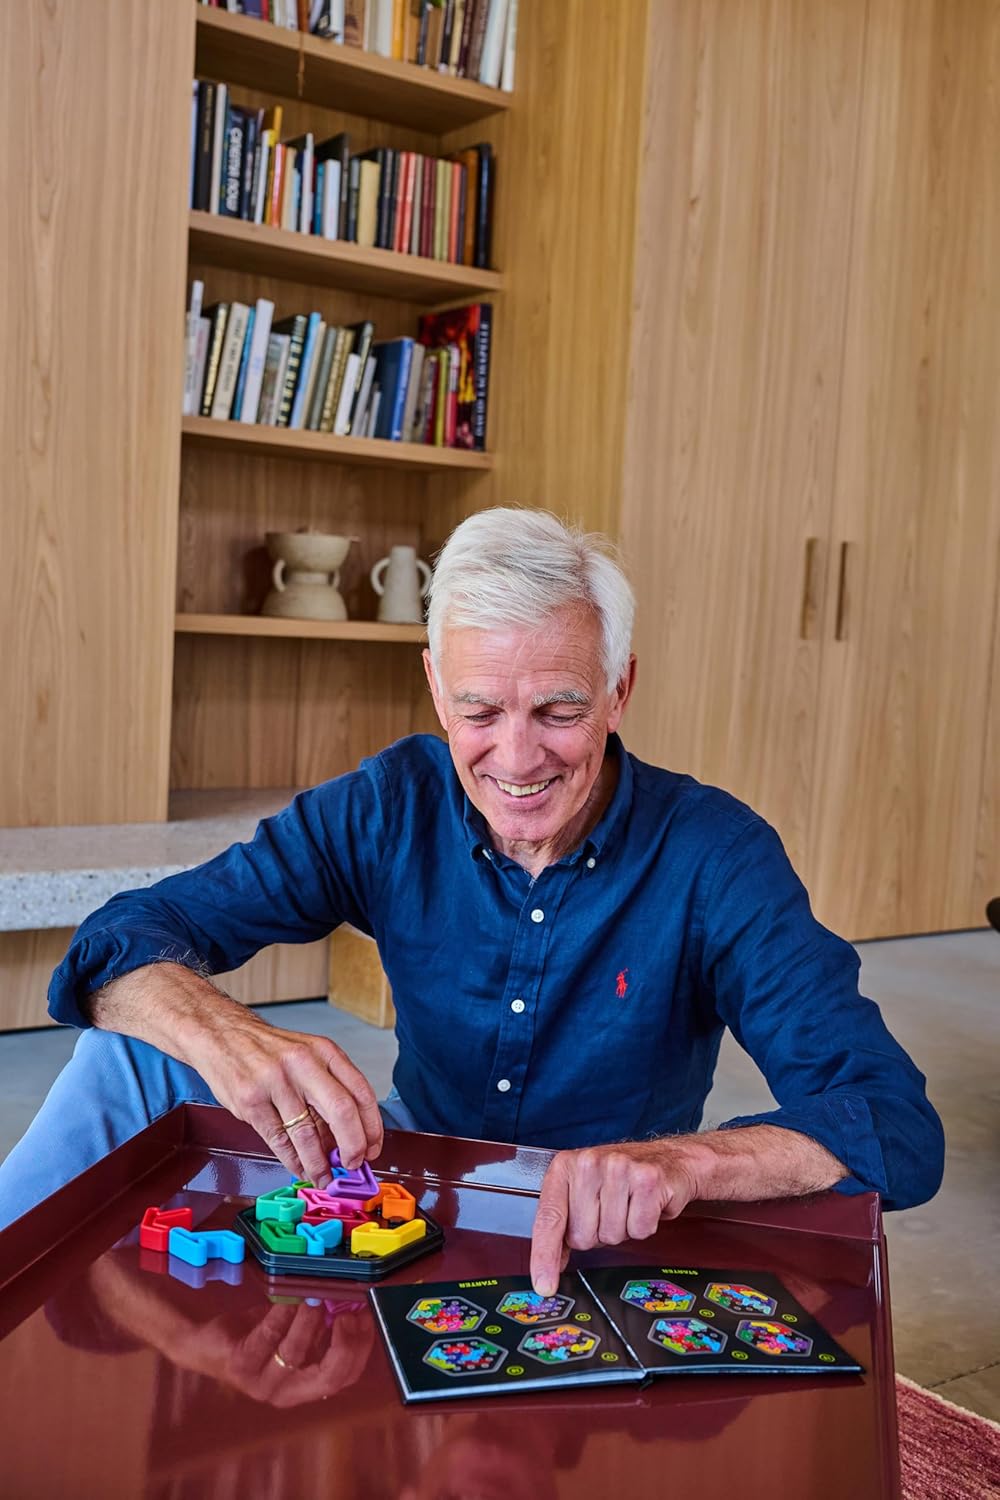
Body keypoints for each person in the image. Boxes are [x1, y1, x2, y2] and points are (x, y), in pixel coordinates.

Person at [0, 508, 944, 1293]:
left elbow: (890, 1119)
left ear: (620, 691)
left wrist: (684, 1163)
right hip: (407, 1181)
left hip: (607, 1234)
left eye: (560, 711)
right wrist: (229, 1036)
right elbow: (118, 941)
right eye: (481, 712)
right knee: (125, 1055)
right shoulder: (388, 803)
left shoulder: (717, 854)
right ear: (436, 690)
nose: (518, 759)